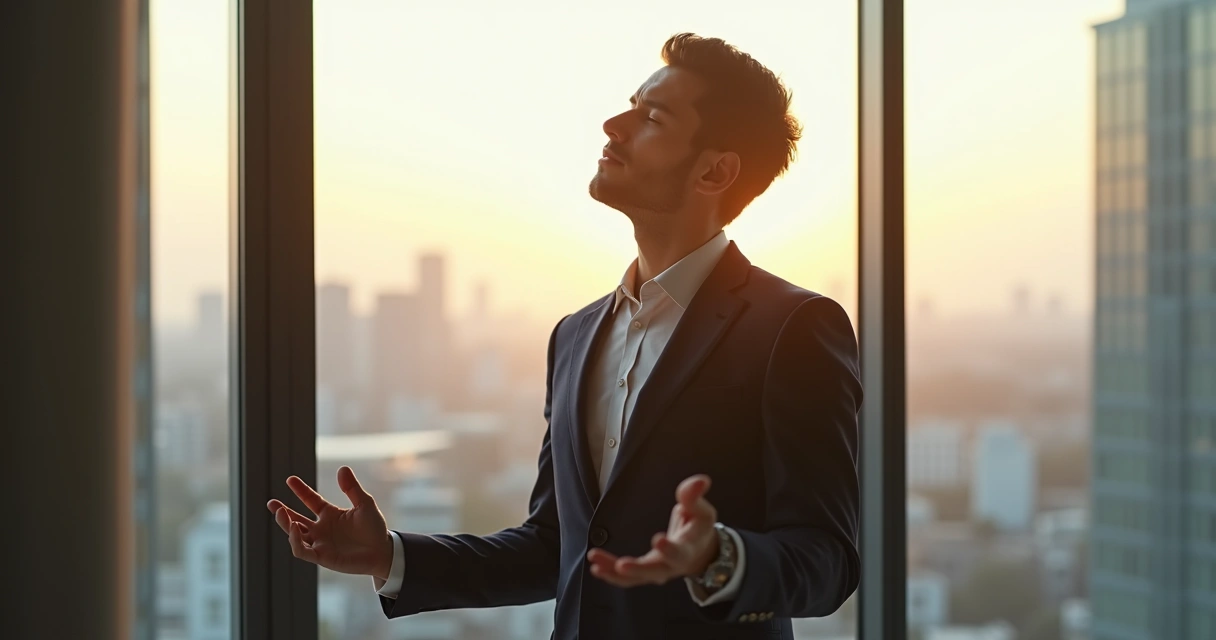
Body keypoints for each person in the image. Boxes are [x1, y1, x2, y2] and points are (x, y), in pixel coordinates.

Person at [268, 32, 862, 640]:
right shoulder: (575, 336)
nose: (613, 125)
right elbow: (555, 545)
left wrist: (720, 558)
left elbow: (829, 560)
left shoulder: (793, 328)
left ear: (715, 170)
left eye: (652, 118)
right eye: (630, 105)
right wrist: (391, 556)